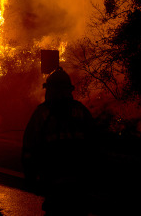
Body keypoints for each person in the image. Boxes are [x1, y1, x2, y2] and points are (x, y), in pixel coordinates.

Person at [22, 67, 94, 216]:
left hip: (53, 181)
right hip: (79, 183)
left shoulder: (42, 113)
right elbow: (95, 143)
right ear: (69, 90)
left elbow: (29, 148)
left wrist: (30, 177)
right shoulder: (81, 111)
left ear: (50, 90)